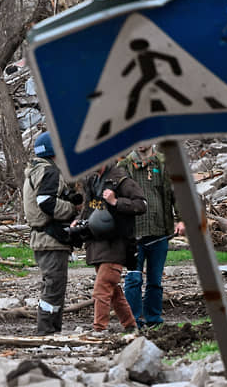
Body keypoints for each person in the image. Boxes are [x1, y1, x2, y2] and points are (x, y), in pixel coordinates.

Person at [75, 160, 146, 335]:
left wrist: (116, 201)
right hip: (96, 244)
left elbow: (142, 204)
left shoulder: (121, 180)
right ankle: (130, 326)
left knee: (102, 288)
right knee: (112, 290)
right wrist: (79, 221)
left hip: (117, 244)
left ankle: (99, 329)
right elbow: (89, 208)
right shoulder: (91, 181)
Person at [118, 144, 185, 329]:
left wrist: (181, 219)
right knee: (133, 279)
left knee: (155, 281)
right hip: (133, 235)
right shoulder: (123, 166)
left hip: (159, 232)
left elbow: (176, 194)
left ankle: (154, 320)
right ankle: (133, 321)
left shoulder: (164, 164)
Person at [23, 131, 83, 335]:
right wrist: (72, 209)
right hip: (50, 239)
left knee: (52, 286)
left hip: (42, 239)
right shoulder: (50, 172)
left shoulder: (35, 171)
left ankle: (51, 330)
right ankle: (46, 331)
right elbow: (46, 202)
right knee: (54, 287)